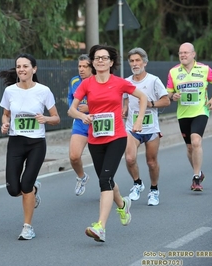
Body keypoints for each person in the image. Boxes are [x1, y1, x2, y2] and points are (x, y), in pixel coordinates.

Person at [68, 44, 147, 242]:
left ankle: (100, 227)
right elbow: (71, 109)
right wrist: (81, 116)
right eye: (97, 58)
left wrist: (138, 121)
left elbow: (143, 97)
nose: (100, 61)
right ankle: (122, 205)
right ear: (93, 62)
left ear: (111, 62)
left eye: (104, 58)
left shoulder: (119, 83)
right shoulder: (86, 84)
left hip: (117, 137)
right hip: (95, 139)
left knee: (104, 180)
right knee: (108, 180)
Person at [0, 53, 60, 240]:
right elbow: (6, 114)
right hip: (16, 142)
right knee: (12, 189)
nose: (21, 70)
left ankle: (27, 227)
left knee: (25, 185)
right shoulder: (10, 91)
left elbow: (56, 118)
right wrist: (4, 123)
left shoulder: (44, 91)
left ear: (34, 69)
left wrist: (46, 119)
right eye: (19, 66)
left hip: (36, 143)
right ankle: (33, 191)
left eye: (25, 66)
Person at [166, 42, 212, 191]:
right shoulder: (173, 72)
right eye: (180, 53)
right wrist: (173, 96)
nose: (183, 55)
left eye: (186, 52)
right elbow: (168, 92)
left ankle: (196, 178)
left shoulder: (204, 69)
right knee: (190, 147)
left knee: (196, 141)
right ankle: (199, 171)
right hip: (183, 114)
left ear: (193, 54)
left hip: (200, 111)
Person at [123, 47, 170, 206]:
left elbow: (166, 100)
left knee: (151, 162)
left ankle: (154, 190)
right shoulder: (126, 81)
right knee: (129, 158)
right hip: (131, 127)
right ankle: (137, 183)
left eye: (137, 60)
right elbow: (125, 99)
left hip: (150, 129)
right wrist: (125, 107)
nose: (135, 64)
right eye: (132, 61)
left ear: (145, 62)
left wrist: (150, 103)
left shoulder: (153, 80)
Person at [67, 54, 94, 196]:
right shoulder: (74, 81)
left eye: (85, 66)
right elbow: (70, 101)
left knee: (100, 162)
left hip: (98, 124)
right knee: (74, 156)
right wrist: (77, 112)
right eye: (79, 66)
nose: (81, 69)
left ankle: (107, 185)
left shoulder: (98, 81)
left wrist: (90, 108)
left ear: (92, 67)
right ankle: (82, 177)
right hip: (80, 123)